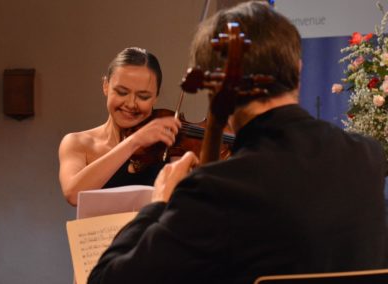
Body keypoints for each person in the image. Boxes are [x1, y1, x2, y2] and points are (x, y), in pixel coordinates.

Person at [88, 1, 388, 283]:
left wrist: (160, 203)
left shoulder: (217, 188)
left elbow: (107, 279)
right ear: (298, 71)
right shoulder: (366, 156)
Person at [58, 47, 181, 206]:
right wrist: (134, 141)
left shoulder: (170, 144)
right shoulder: (77, 142)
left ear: (155, 97)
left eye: (143, 96)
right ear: (105, 86)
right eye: (122, 92)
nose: (131, 104)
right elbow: (74, 195)